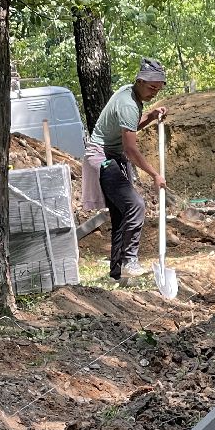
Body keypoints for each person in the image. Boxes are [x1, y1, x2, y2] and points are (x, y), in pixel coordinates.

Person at [87, 58, 168, 281]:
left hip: (113, 155)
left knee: (121, 213)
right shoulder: (128, 103)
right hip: (102, 156)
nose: (154, 93)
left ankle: (116, 274)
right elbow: (130, 149)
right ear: (140, 81)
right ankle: (129, 260)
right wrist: (154, 175)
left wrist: (150, 117)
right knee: (135, 204)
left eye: (158, 90)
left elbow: (129, 128)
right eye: (152, 88)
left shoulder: (131, 94)